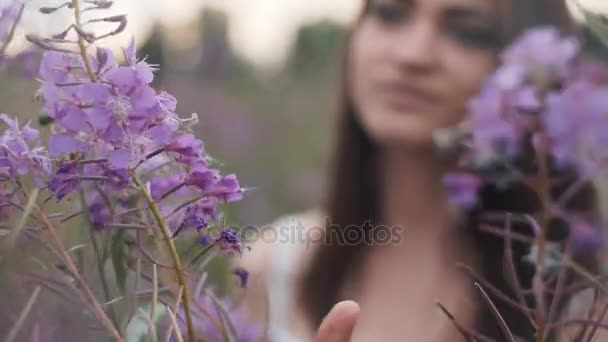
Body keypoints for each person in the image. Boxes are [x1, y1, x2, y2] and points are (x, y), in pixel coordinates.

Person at [238, 0, 604, 341]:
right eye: (390, 13)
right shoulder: (270, 266)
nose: (412, 54)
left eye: (467, 31)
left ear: (534, 80)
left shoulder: (584, 301)